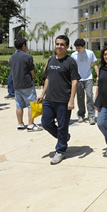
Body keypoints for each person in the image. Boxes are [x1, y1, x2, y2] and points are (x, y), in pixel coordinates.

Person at [38, 35, 80, 165]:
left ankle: (60, 150)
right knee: (45, 122)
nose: (59, 47)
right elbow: (47, 78)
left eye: (62, 44)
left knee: (62, 126)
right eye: (57, 44)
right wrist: (42, 93)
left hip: (63, 100)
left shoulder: (70, 61)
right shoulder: (51, 60)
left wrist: (71, 100)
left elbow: (74, 81)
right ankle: (64, 138)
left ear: (67, 46)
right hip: (49, 99)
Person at [8, 37, 43, 131]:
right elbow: (32, 71)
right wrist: (33, 78)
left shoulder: (12, 57)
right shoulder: (28, 57)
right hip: (27, 83)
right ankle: (30, 124)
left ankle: (20, 123)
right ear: (23, 45)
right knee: (31, 104)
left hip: (16, 84)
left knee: (19, 105)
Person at [71, 38, 99, 124]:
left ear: (84, 47)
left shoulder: (90, 53)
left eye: (79, 48)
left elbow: (95, 65)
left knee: (90, 96)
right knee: (80, 97)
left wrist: (98, 75)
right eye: (76, 48)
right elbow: (72, 68)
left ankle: (91, 116)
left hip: (88, 77)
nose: (77, 49)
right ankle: (81, 114)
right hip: (78, 79)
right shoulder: (74, 55)